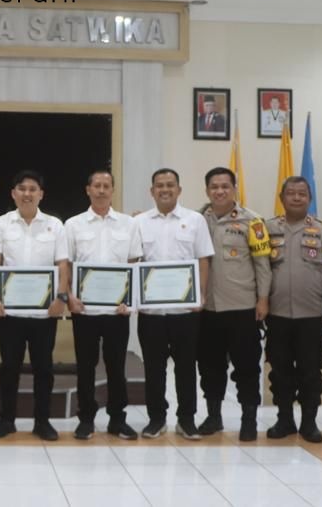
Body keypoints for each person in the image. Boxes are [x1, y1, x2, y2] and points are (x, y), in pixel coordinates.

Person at [0, 170, 69, 442]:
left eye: (33, 189)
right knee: (9, 367)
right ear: (13, 193)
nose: (27, 193)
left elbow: (62, 264)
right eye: (22, 188)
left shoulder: (55, 225)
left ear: (41, 194)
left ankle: (42, 422)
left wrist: (61, 297)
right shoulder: (1, 224)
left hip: (45, 312)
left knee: (44, 369)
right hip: (9, 312)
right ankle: (6, 420)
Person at [264, 176, 322, 443]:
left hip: (310, 316)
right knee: (279, 371)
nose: (297, 197)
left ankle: (309, 422)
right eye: (291, 193)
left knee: (311, 372)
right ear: (282, 198)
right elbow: (259, 269)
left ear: (310, 199)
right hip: (277, 315)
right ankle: (285, 420)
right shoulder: (267, 229)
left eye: (302, 193)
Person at [134, 168, 214, 441]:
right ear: (152, 191)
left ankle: (186, 419)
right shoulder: (139, 222)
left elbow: (203, 259)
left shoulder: (195, 220)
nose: (165, 189)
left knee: (186, 367)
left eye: (170, 185)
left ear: (179, 189)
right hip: (151, 312)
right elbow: (134, 262)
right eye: (160, 185)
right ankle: (156, 419)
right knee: (153, 368)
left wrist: (201, 296)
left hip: (186, 311)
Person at [64, 169, 143, 441]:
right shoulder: (73, 224)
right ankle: (86, 419)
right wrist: (69, 297)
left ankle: (117, 419)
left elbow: (133, 264)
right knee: (85, 367)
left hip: (116, 311)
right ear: (88, 190)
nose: (101, 190)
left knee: (116, 367)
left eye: (106, 186)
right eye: (96, 185)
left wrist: (129, 300)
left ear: (112, 190)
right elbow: (66, 265)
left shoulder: (128, 224)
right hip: (84, 310)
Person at [197, 166, 271, 441]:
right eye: (214, 187)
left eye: (225, 186)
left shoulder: (253, 222)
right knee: (209, 367)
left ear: (234, 189)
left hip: (242, 307)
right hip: (207, 309)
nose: (219, 191)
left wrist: (263, 299)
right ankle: (213, 416)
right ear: (207, 190)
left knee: (247, 367)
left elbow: (262, 264)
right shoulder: (196, 220)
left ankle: (248, 419)